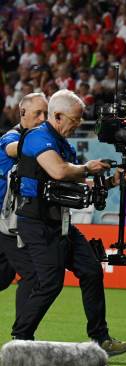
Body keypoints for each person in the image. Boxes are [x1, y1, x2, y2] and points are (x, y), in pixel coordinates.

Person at [11, 90, 126, 356]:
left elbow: (77, 179)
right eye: (75, 120)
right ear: (57, 116)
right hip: (36, 223)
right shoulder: (36, 137)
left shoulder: (61, 142)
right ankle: (20, 340)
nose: (78, 125)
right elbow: (59, 170)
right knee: (50, 283)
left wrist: (113, 181)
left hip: (60, 222)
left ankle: (99, 339)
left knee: (91, 271)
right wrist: (88, 167)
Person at [0, 93, 47, 320]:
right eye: (38, 113)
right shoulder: (11, 137)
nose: (42, 118)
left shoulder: (42, 144)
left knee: (3, 278)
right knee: (32, 276)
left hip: (14, 223)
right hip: (4, 223)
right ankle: (22, 338)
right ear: (22, 113)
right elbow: (11, 149)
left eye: (45, 114)